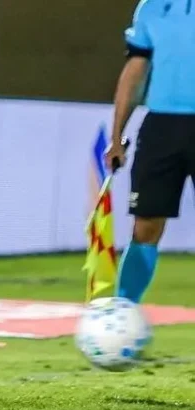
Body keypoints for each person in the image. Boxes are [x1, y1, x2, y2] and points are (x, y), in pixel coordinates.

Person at [105, 0, 195, 304]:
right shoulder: (150, 7)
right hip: (161, 128)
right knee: (145, 225)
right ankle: (124, 310)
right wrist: (116, 137)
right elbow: (136, 69)